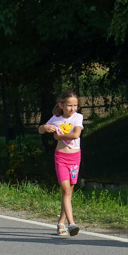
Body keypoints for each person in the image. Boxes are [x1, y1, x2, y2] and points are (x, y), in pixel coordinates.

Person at [39, 90, 84, 236]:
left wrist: (59, 136)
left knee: (69, 192)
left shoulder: (78, 118)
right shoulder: (55, 118)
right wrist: (45, 128)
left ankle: (60, 223)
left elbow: (76, 134)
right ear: (61, 105)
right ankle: (71, 224)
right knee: (65, 190)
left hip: (75, 158)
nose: (72, 108)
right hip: (61, 157)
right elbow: (40, 129)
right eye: (69, 105)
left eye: (75, 105)